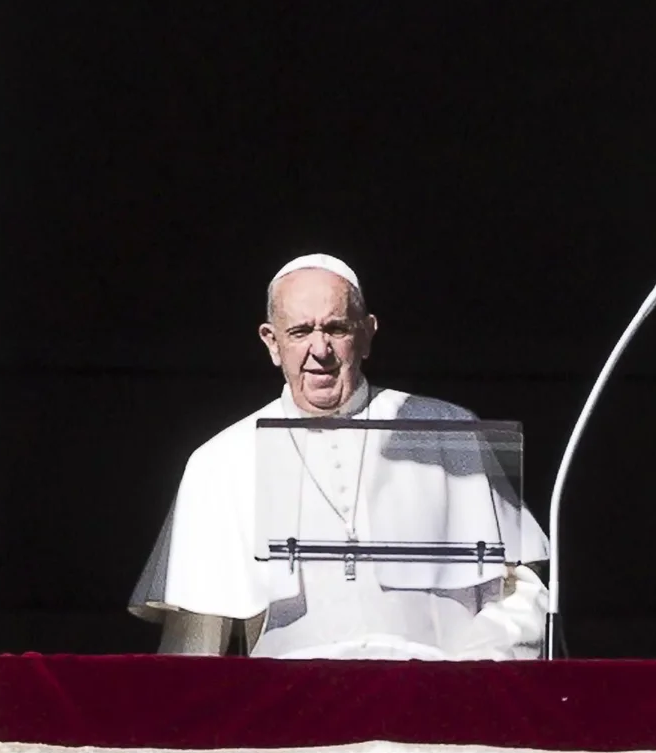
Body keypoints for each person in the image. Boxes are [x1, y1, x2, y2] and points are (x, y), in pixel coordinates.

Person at [129, 254, 549, 659]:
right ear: (271, 343)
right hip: (293, 718)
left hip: (436, 712)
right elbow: (195, 649)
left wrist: (475, 675)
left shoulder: (448, 430)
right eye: (299, 332)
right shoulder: (221, 462)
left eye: (336, 328)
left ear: (366, 334)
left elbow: (520, 591)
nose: (320, 349)